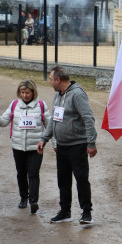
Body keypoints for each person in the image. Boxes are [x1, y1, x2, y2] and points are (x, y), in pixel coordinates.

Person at [37, 66, 97, 225]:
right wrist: (44, 139)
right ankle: (65, 212)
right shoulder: (57, 96)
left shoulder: (77, 94)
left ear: (58, 79)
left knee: (81, 179)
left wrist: (91, 142)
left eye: (50, 79)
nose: (49, 82)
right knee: (63, 180)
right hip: (61, 147)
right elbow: (53, 121)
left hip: (78, 145)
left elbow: (88, 119)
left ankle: (86, 213)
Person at [0, 79, 47, 213]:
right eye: (22, 92)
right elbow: (3, 122)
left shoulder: (42, 105)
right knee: (21, 173)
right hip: (18, 146)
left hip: (36, 147)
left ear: (33, 92)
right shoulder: (14, 105)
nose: (25, 95)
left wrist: (53, 143)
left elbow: (49, 127)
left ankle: (33, 201)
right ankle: (23, 198)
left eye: (28, 92)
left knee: (33, 173)